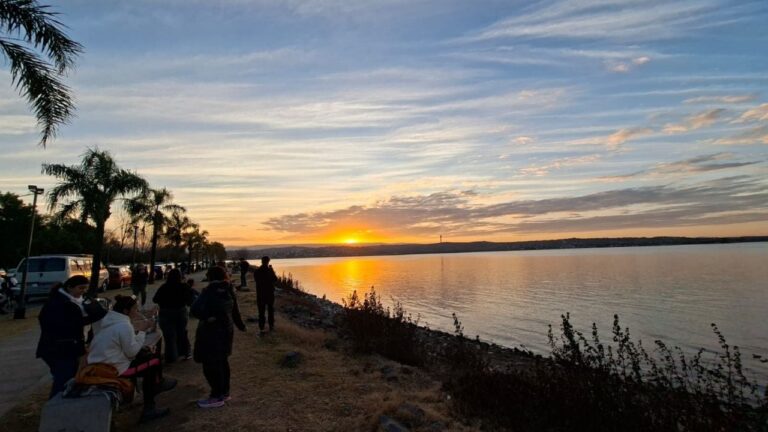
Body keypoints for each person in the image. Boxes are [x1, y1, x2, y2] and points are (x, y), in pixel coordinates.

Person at [88, 295, 176, 423]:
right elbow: (131, 352)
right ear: (126, 311)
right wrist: (142, 331)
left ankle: (156, 385)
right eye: (135, 309)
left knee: (148, 356)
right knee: (154, 362)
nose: (137, 312)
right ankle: (150, 405)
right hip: (113, 368)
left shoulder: (109, 322)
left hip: (101, 363)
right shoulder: (123, 325)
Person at [35, 275, 106, 398]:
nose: (83, 291)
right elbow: (67, 326)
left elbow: (92, 317)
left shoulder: (79, 301)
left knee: (69, 378)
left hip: (70, 347)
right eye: (81, 288)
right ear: (69, 287)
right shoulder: (58, 303)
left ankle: (64, 404)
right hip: (59, 349)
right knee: (63, 379)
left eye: (85, 288)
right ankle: (55, 407)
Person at [190, 266, 246, 408]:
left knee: (210, 365)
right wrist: (241, 326)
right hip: (226, 330)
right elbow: (235, 312)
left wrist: (207, 317)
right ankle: (225, 392)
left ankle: (216, 396)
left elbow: (194, 310)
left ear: (210, 277)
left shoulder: (208, 291)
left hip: (211, 333)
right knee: (222, 362)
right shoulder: (229, 289)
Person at [152, 269, 195, 363]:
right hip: (180, 311)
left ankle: (171, 356)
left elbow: (155, 299)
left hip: (165, 312)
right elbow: (190, 300)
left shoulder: (164, 287)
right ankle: (185, 352)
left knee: (169, 336)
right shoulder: (184, 286)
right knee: (182, 333)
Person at [253, 256, 278, 334]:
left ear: (261, 261)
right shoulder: (270, 271)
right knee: (270, 310)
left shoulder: (257, 271)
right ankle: (271, 326)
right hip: (270, 294)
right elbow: (275, 279)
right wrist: (272, 271)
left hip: (260, 294)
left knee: (261, 311)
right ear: (268, 261)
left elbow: (256, 280)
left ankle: (261, 327)